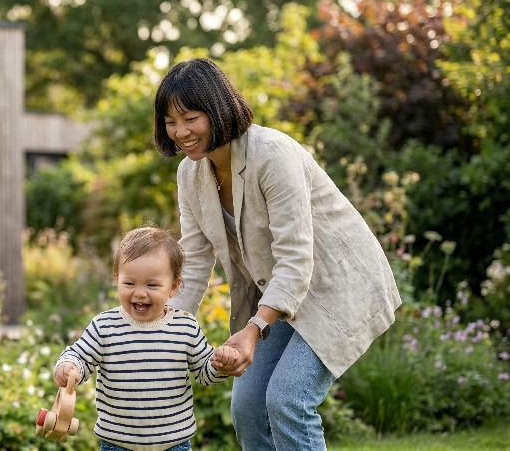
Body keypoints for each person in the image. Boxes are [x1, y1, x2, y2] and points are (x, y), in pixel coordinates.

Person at [152, 57, 402, 450]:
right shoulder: (190, 174)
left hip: (334, 286)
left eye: (191, 118)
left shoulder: (272, 154)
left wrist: (253, 330)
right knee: (248, 408)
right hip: (281, 295)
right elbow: (195, 258)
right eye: (170, 121)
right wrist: (165, 331)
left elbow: (296, 257)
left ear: (217, 110)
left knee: (289, 400)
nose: (181, 132)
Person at [53, 226, 240, 451]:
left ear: (174, 286)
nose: (140, 293)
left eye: (152, 285)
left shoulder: (185, 327)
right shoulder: (105, 326)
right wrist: (69, 365)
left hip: (174, 444)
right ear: (117, 279)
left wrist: (222, 364)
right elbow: (79, 355)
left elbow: (205, 372)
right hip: (118, 444)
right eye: (130, 283)